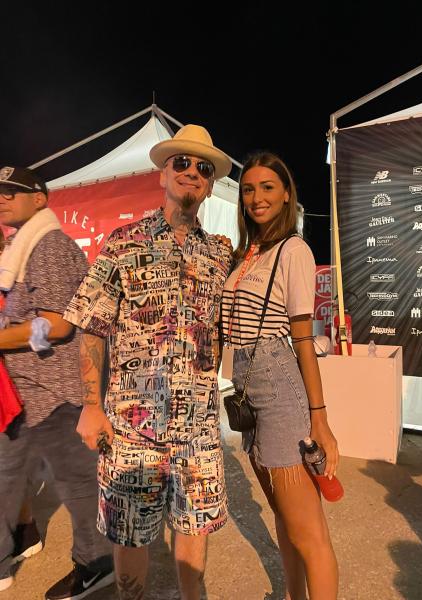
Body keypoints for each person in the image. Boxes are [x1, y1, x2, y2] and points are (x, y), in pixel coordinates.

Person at [63, 124, 233, 600]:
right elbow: (91, 326)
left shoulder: (221, 254)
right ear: (162, 173)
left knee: (194, 534)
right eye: (182, 162)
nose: (192, 172)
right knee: (129, 535)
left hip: (199, 432)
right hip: (132, 431)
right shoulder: (124, 243)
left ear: (211, 185)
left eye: (204, 168)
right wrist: (90, 406)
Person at [221, 152, 339, 600]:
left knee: (309, 532)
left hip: (278, 383)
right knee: (283, 516)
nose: (256, 197)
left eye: (268, 187)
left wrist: (319, 419)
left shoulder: (294, 250)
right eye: (249, 189)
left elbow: (303, 339)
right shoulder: (248, 254)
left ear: (287, 194)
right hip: (247, 382)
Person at [0, 166, 113, 599]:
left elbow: (57, 325)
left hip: (57, 392)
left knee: (79, 484)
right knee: (10, 476)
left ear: (39, 199)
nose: (3, 198)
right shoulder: (21, 247)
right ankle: (19, 541)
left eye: (13, 191)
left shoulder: (47, 246)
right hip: (27, 391)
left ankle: (96, 565)